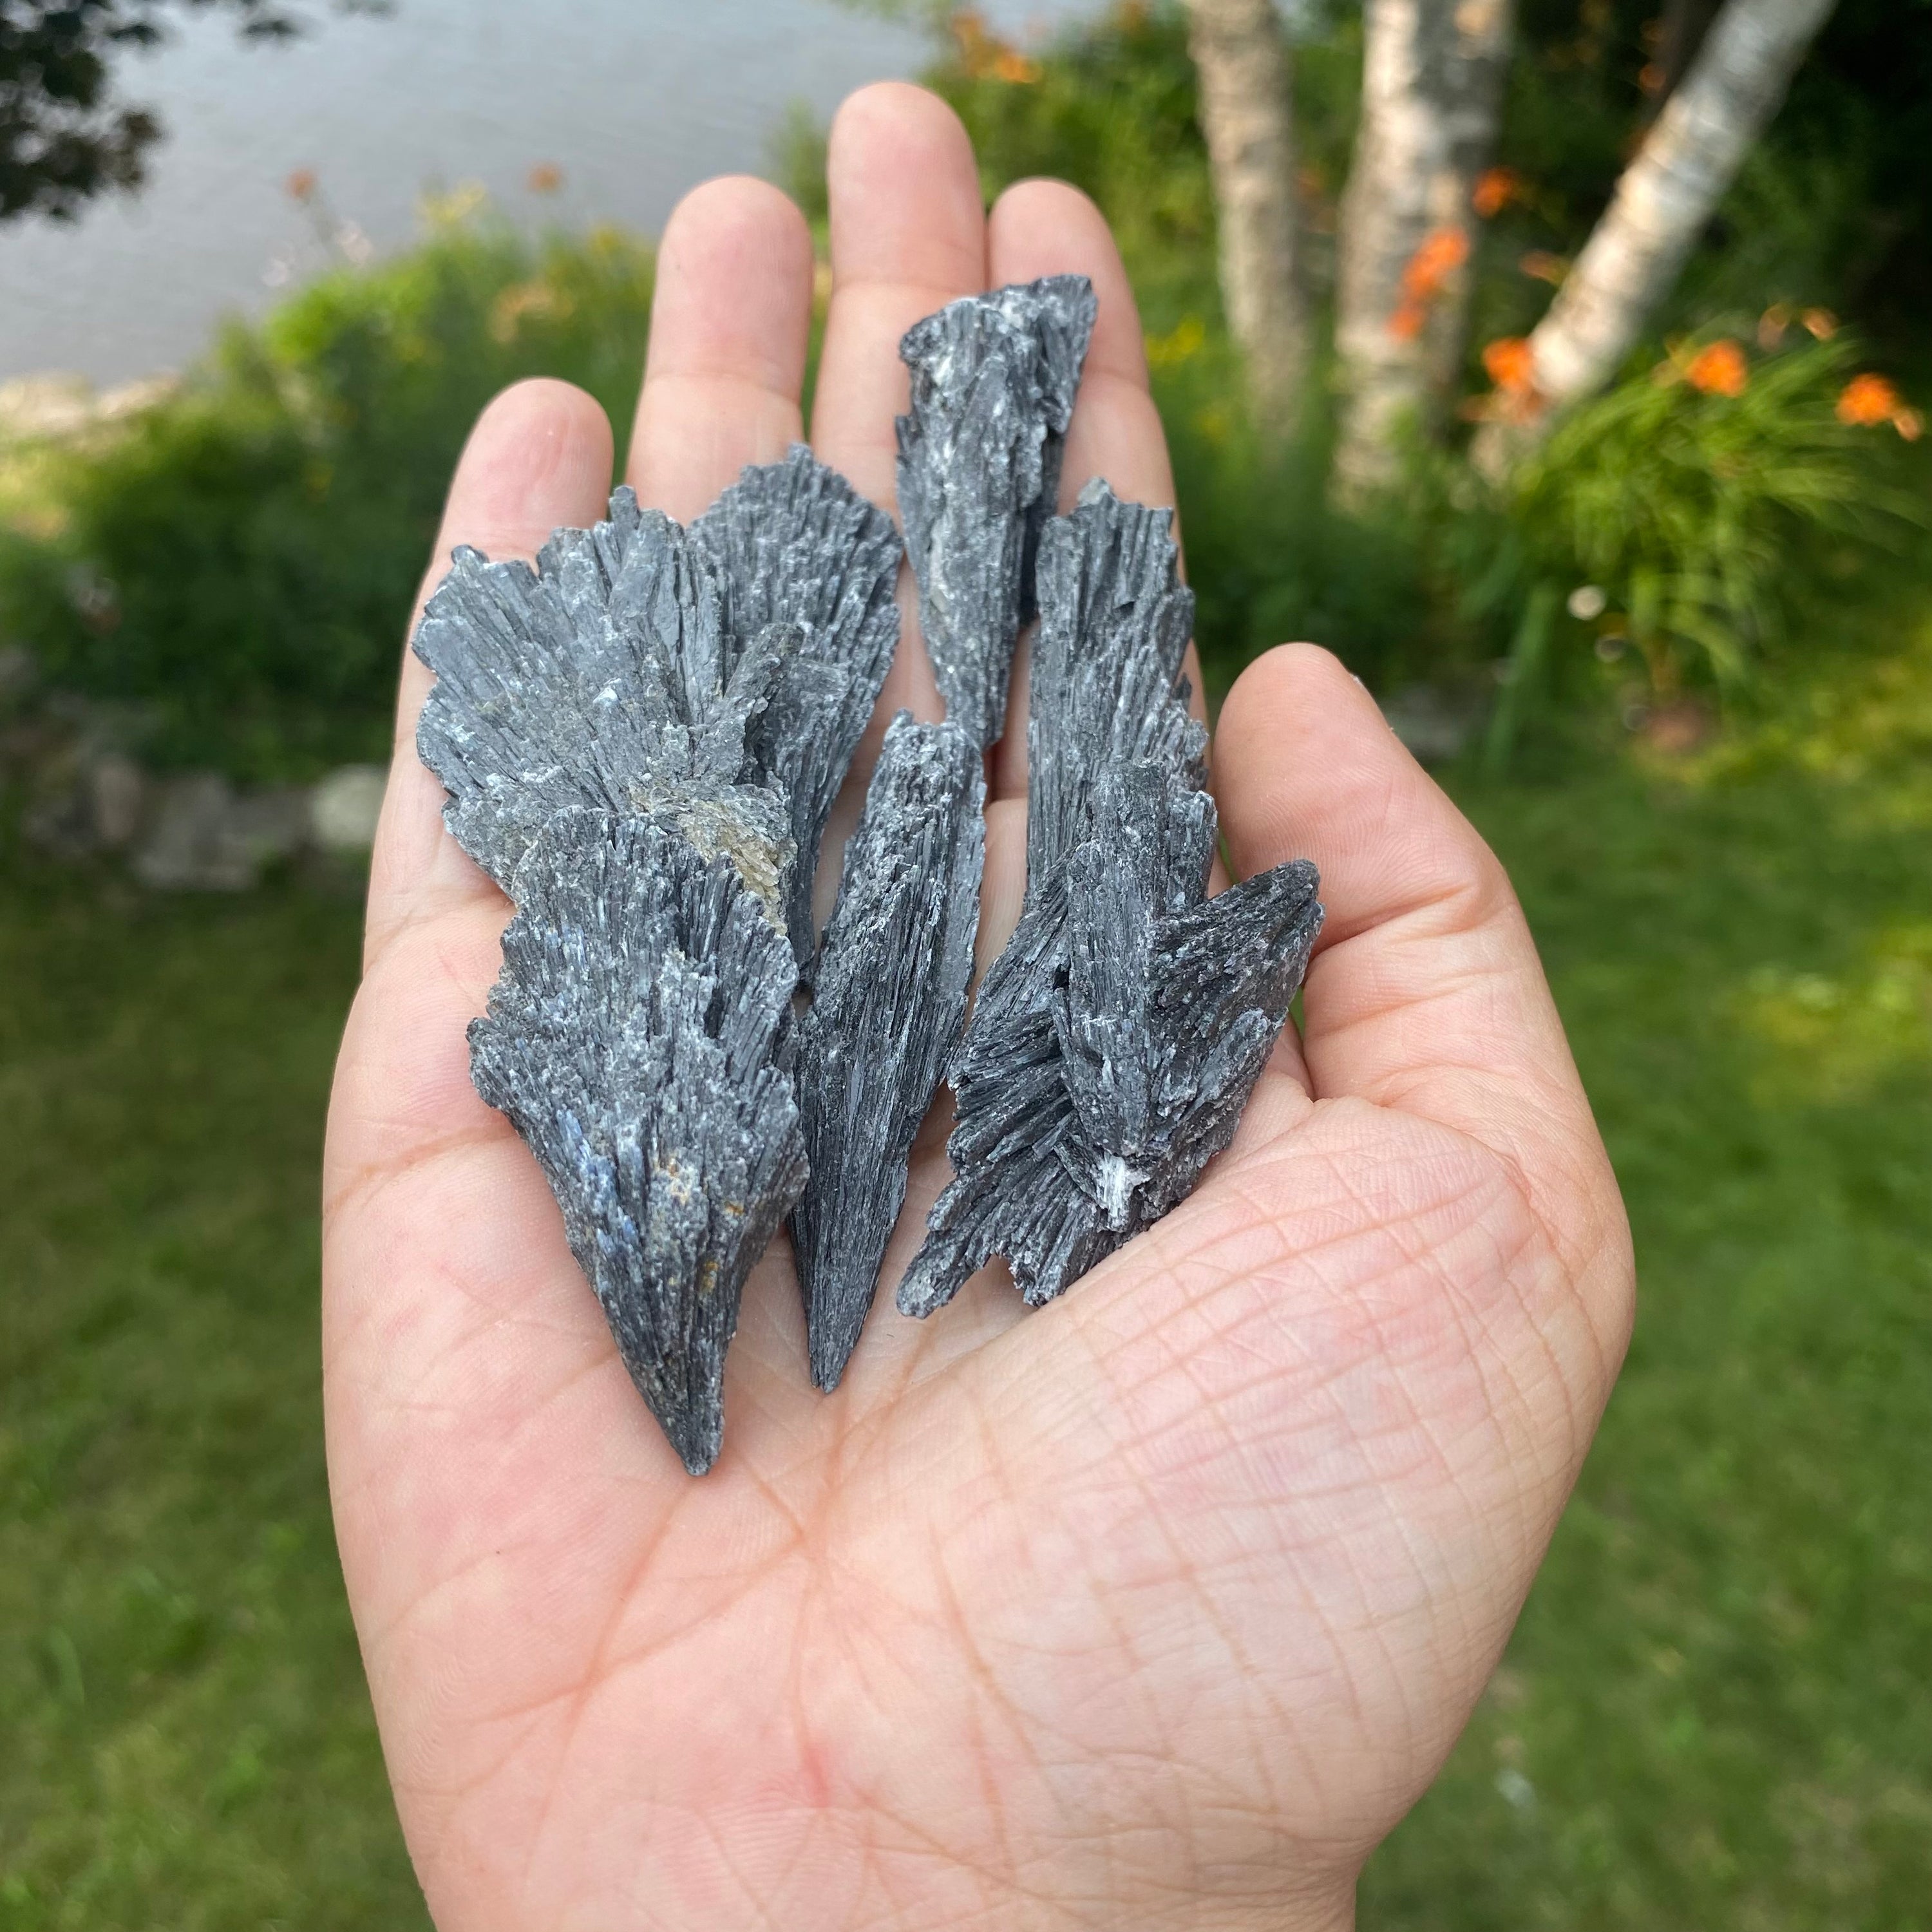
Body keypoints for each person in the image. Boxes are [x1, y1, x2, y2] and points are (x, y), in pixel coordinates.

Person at [321, 82, 1633, 1932]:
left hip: (877, 916)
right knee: (907, 800)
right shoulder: (714, 894)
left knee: (978, 789)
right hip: (707, 875)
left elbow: (1134, 894)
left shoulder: (986, 808)